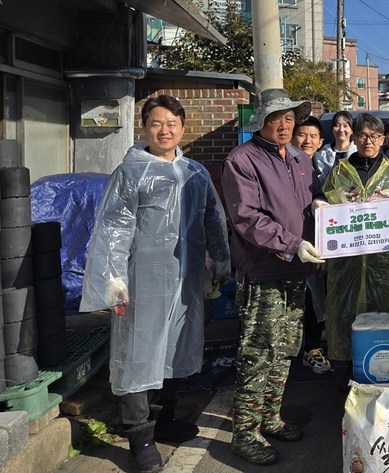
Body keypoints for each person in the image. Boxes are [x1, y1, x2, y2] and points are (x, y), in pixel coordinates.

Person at [80, 95, 231, 472]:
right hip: (142, 280)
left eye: (172, 123)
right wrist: (113, 281)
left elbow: (214, 217)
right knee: (139, 352)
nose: (164, 130)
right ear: (144, 128)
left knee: (176, 348)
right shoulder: (131, 173)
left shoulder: (194, 172)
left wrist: (221, 259)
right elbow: (113, 230)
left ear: (182, 128)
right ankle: (140, 436)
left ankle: (165, 419)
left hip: (186, 280)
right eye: (156, 123)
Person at [220, 88, 326, 466]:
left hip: (297, 268)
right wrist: (291, 243)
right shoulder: (242, 159)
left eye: (290, 117)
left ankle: (270, 416)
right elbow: (247, 218)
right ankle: (245, 431)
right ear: (260, 121)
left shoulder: (298, 155)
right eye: (275, 117)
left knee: (284, 349)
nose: (284, 124)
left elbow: (311, 197)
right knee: (258, 351)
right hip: (265, 270)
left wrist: (322, 205)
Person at [321, 114, 389, 363]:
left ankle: (379, 366)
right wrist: (335, 197)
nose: (369, 141)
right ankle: (344, 368)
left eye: (375, 136)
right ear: (354, 138)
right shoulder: (341, 170)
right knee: (343, 313)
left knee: (382, 314)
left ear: (383, 139)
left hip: (383, 260)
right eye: (363, 136)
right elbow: (326, 201)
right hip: (346, 260)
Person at [290, 117, 330, 375]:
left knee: (317, 297)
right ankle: (293, 350)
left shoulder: (327, 167)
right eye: (302, 135)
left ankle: (313, 348)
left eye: (313, 136)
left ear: (321, 141)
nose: (307, 140)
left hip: (322, 243)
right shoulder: (287, 164)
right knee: (297, 298)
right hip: (291, 240)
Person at [316, 110, 356, 183]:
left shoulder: (358, 152)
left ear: (352, 130)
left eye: (345, 126)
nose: (341, 130)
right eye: (337, 125)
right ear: (332, 129)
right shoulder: (322, 155)